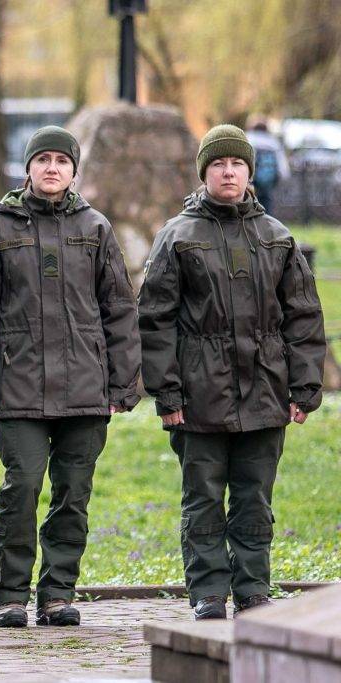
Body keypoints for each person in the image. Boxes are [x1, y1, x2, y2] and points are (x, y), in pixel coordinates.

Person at [138, 124, 325, 620]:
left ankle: (253, 589)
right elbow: (154, 321)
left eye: (237, 164)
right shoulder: (177, 237)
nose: (228, 172)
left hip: (265, 391)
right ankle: (208, 592)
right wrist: (168, 394)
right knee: (201, 499)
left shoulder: (277, 237)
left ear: (249, 172)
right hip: (199, 396)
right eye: (218, 164)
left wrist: (304, 387)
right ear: (204, 173)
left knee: (254, 499)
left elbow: (303, 318)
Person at [0, 126, 141, 629]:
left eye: (62, 160)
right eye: (44, 160)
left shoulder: (95, 227)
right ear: (28, 169)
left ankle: (58, 592)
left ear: (74, 171)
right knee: (22, 486)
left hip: (86, 389)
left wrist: (124, 385)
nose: (52, 168)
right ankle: (10, 594)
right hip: (18, 390)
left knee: (72, 494)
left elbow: (120, 308)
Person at [246, 121, 290, 215]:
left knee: (250, 201)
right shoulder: (273, 141)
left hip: (252, 178)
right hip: (269, 180)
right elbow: (281, 163)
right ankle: (267, 224)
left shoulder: (248, 138)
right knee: (267, 202)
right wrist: (283, 176)